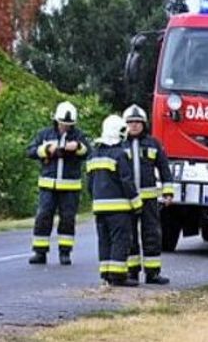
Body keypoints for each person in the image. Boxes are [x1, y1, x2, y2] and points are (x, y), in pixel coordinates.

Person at [25, 101, 89, 265]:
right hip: (48, 186)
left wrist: (77, 147)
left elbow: (88, 151)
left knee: (67, 219)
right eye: (63, 124)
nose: (65, 127)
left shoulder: (78, 136)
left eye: (68, 125)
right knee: (43, 217)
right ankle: (40, 252)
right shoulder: (45, 134)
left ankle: (65, 253)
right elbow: (30, 151)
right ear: (56, 120)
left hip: (70, 187)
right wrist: (46, 150)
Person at [122, 104, 174, 285]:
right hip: (127, 200)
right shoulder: (120, 144)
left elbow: (164, 169)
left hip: (149, 198)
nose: (134, 125)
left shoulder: (153, 144)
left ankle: (152, 273)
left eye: (138, 122)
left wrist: (168, 192)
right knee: (129, 236)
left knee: (151, 234)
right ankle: (132, 273)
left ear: (144, 124)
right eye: (130, 122)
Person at [88, 115, 142, 287]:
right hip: (119, 208)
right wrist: (137, 204)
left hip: (99, 207)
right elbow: (127, 181)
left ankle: (106, 273)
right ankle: (118, 276)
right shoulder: (119, 154)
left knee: (104, 240)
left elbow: (89, 183)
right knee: (121, 240)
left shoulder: (93, 155)